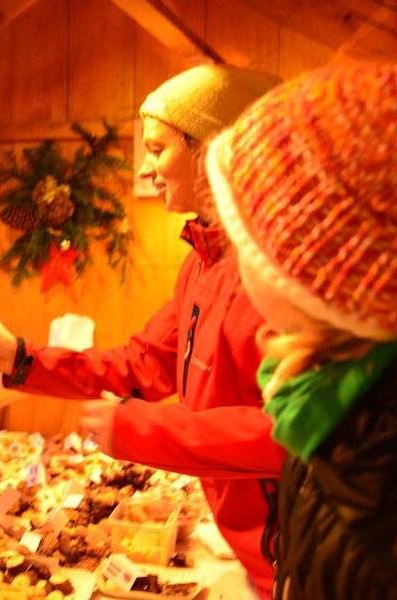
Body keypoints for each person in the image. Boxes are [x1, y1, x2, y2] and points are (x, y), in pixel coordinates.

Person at [0, 64, 284, 597]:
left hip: (299, 549)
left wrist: (143, 429)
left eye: (157, 149)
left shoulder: (274, 271)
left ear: (211, 150)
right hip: (254, 550)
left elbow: (287, 432)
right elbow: (143, 364)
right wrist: (22, 358)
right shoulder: (199, 264)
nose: (147, 167)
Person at [205, 63, 397, 600]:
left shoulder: (369, 513)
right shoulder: (330, 401)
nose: (233, 257)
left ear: (306, 276)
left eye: (242, 239)